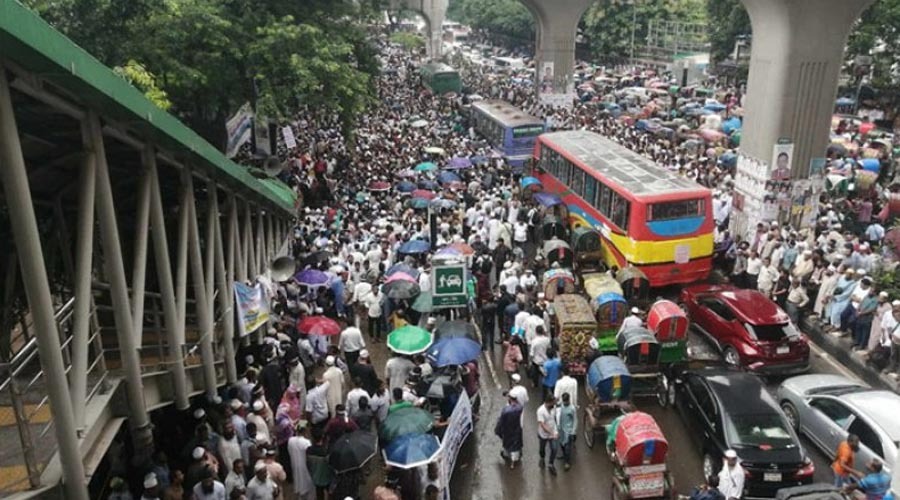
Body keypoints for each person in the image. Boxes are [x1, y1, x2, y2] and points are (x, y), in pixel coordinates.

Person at [494, 394, 524, 469]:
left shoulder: (506, 410)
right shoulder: (519, 408)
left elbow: (501, 421)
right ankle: (513, 462)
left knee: (507, 445)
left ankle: (508, 457)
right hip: (516, 431)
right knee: (515, 447)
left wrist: (498, 430)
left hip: (507, 431)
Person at [287, 422, 315, 500]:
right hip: (305, 467)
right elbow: (309, 456)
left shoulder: (290, 440)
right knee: (308, 487)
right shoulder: (306, 442)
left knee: (298, 484)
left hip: (294, 465)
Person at [536, 395, 559, 476]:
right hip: (544, 434)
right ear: (548, 402)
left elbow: (554, 419)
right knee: (542, 449)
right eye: (553, 402)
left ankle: (551, 464)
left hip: (553, 432)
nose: (555, 404)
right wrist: (552, 433)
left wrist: (556, 430)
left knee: (554, 449)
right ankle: (542, 458)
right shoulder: (540, 411)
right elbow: (542, 425)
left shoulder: (553, 408)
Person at [555, 392, 576, 471]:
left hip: (568, 431)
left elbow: (575, 420)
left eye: (566, 401)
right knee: (562, 445)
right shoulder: (561, 407)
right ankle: (564, 456)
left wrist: (573, 431)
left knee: (567, 447)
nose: (565, 402)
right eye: (564, 401)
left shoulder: (572, 408)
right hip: (561, 429)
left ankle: (567, 462)